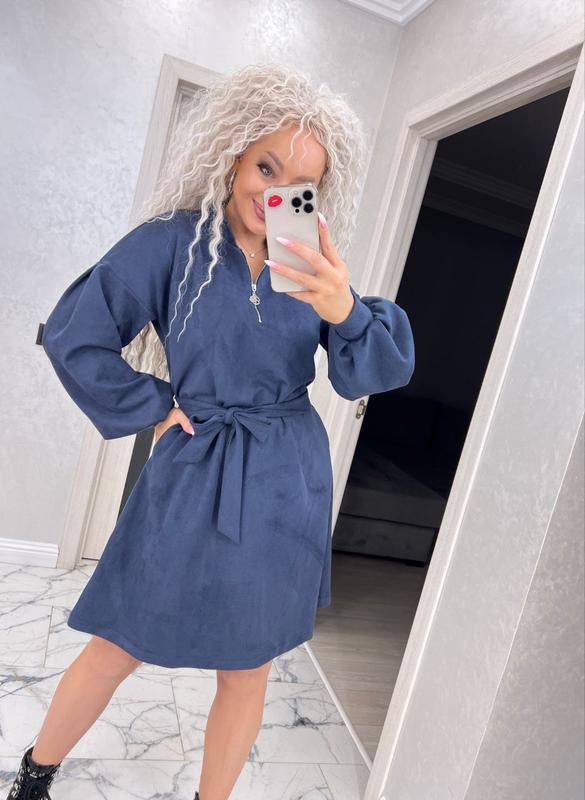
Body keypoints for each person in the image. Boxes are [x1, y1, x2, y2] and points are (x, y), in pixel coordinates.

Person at [6, 62, 415, 800]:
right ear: (233, 156)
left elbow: (369, 373)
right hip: (196, 464)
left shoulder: (305, 255)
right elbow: (76, 333)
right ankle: (34, 776)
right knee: (118, 641)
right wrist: (154, 403)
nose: (274, 191)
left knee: (248, 666)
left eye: (300, 183)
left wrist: (346, 309)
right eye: (266, 166)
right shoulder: (174, 243)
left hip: (286, 476)